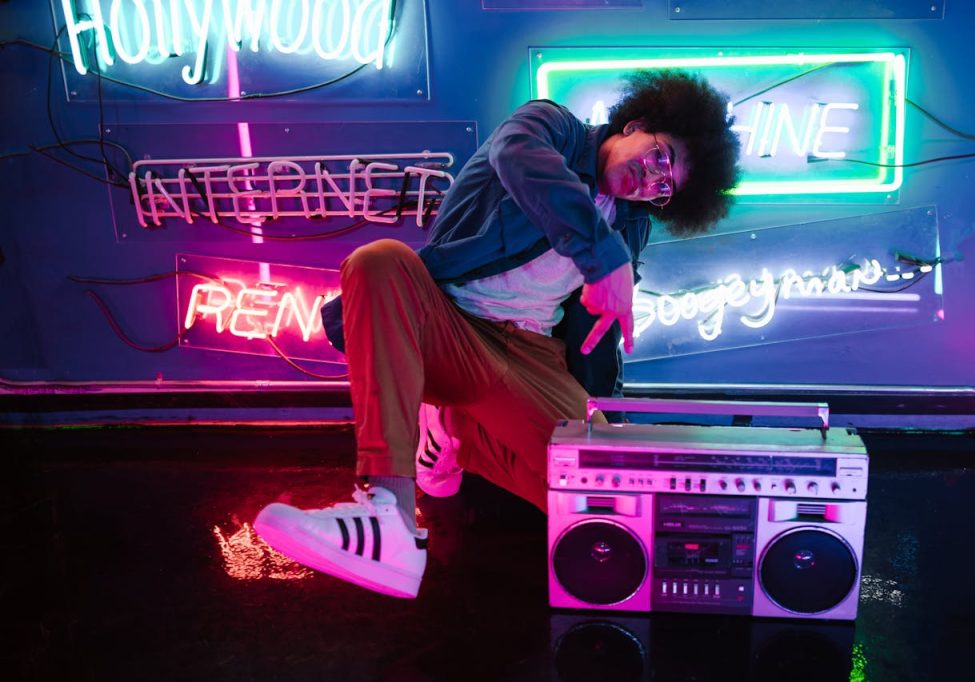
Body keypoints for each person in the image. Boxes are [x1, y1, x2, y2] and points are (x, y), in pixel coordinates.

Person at [254, 71, 741, 598]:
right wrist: (605, 258)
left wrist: (607, 418)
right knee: (379, 262)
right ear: (637, 125)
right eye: (661, 155)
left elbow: (599, 340)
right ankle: (386, 517)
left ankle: (452, 432)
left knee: (602, 499)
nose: (652, 178)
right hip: (450, 325)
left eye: (665, 186)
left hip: (533, 357)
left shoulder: (631, 224)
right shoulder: (551, 126)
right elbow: (518, 159)